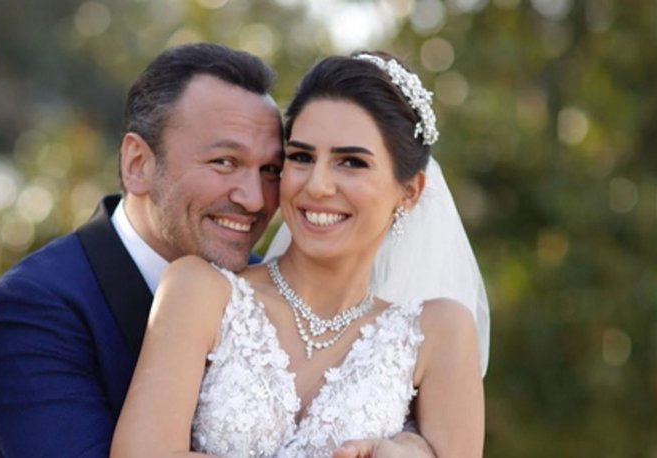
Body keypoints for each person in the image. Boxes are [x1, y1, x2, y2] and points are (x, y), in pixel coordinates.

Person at [0, 43, 434, 457]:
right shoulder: (33, 307)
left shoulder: (275, 300)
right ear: (138, 164)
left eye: (271, 170)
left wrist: (413, 444)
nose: (254, 200)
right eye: (225, 162)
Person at [110, 52, 487, 457]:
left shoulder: (439, 332)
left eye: (351, 162)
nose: (317, 186)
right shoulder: (200, 291)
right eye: (302, 157)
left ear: (409, 192)